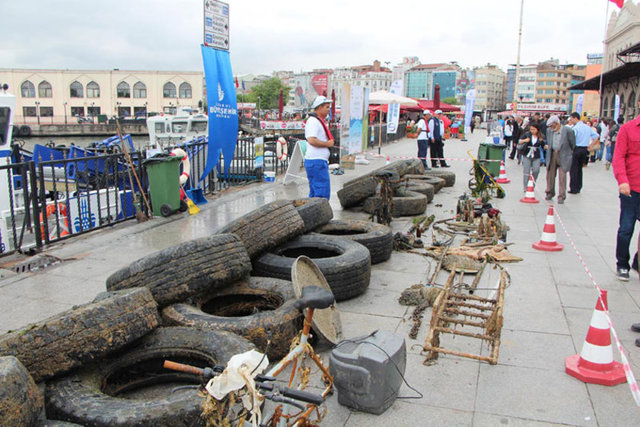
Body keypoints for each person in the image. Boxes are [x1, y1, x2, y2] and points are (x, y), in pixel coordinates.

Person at [612, 97, 640, 284]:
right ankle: (622, 263)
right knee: (626, 228)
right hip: (631, 189)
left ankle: (638, 261)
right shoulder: (628, 129)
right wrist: (622, 180)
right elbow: (619, 157)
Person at [304, 96, 335, 200]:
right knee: (322, 192)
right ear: (319, 107)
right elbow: (311, 140)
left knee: (316, 191)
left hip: (317, 161)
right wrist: (327, 144)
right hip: (316, 161)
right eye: (327, 107)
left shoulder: (317, 121)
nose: (328, 110)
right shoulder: (313, 121)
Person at [544, 115, 575, 204]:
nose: (551, 128)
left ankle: (561, 196)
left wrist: (569, 152)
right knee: (550, 175)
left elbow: (572, 143)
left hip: (563, 155)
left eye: (552, 126)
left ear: (557, 124)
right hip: (552, 154)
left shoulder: (568, 130)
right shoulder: (549, 131)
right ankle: (549, 192)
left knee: (562, 177)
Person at [568, 112, 599, 194]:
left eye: (571, 119)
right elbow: (596, 136)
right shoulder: (587, 127)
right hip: (584, 150)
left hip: (576, 149)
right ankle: (578, 187)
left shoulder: (575, 128)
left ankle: (573, 188)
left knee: (573, 169)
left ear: (575, 118)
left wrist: (571, 148)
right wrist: (590, 146)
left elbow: (572, 139)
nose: (571, 120)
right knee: (579, 169)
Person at [518, 122, 545, 191]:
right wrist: (525, 140)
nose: (532, 131)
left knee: (536, 170)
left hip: (536, 154)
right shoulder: (527, 134)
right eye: (531, 129)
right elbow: (519, 141)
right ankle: (525, 186)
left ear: (537, 130)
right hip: (527, 154)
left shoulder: (541, 137)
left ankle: (532, 184)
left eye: (533, 129)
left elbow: (543, 146)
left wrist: (546, 146)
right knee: (526, 171)